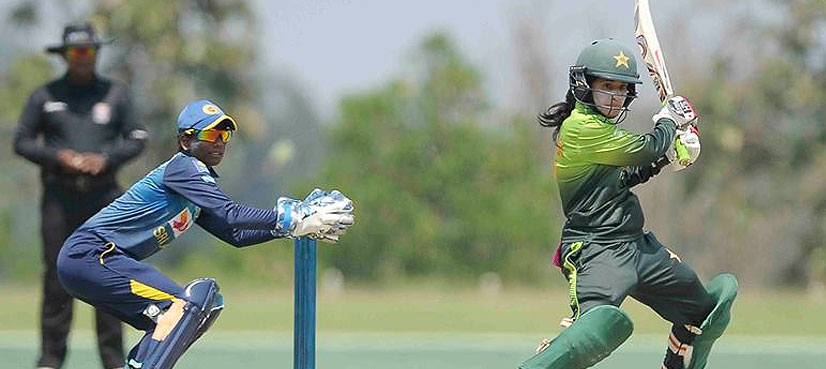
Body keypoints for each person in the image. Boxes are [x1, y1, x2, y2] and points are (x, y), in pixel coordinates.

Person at [55, 99, 355, 369]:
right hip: (93, 255)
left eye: (224, 136)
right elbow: (231, 214)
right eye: (211, 135)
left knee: (202, 307)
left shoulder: (195, 185)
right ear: (185, 140)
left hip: (97, 261)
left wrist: (284, 229)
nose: (220, 144)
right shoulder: (183, 168)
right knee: (188, 303)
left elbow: (234, 234)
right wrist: (291, 218)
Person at [518, 39, 737, 369]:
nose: (615, 97)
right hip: (596, 250)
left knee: (703, 313)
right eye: (607, 87)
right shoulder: (581, 127)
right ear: (584, 84)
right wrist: (669, 122)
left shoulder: (602, 133)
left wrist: (669, 157)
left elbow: (627, 175)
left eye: (622, 89)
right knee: (593, 330)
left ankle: (678, 358)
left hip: (638, 248)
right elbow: (648, 147)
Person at [14, 22, 148, 369]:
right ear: (65, 55)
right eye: (76, 52)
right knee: (57, 278)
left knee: (107, 276)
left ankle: (114, 360)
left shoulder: (115, 94)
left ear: (97, 53)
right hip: (59, 199)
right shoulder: (45, 96)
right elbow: (23, 142)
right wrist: (58, 157)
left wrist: (106, 159)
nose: (83, 58)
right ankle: (50, 359)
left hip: (103, 200)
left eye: (89, 51)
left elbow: (137, 138)